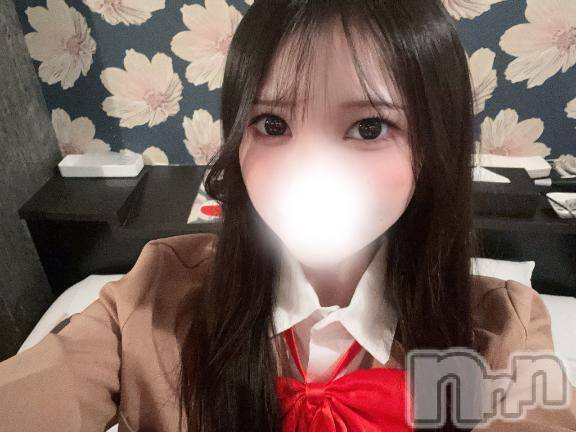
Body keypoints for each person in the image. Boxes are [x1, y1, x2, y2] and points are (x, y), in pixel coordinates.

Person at [1, 0, 575, 431]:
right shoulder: (152, 299)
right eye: (272, 124)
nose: (310, 171)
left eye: (369, 127)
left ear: (430, 150)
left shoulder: (498, 330)